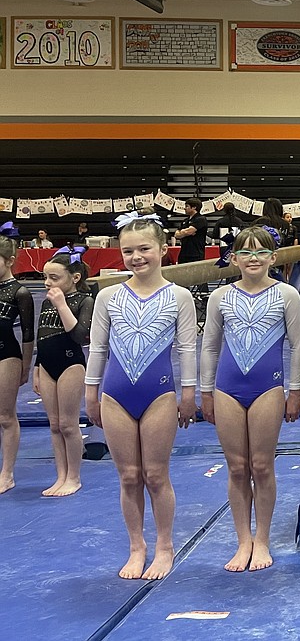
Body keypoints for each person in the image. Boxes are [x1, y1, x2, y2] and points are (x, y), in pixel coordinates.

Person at [85, 213, 198, 580]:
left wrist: (189, 394)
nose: (137, 257)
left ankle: (165, 545)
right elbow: (99, 349)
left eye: (145, 249)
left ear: (163, 250)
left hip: (160, 394)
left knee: (155, 474)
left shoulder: (179, 296)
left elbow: (186, 350)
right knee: (129, 476)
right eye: (128, 250)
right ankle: (137, 546)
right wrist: (91, 393)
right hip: (115, 394)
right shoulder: (108, 296)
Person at [200, 226, 300, 573]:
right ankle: (243, 539)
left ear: (273, 258)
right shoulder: (221, 297)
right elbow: (211, 346)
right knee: (236, 467)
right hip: (227, 389)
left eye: (262, 251)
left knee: (261, 465)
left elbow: (299, 346)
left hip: (268, 389)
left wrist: (297, 391)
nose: (254, 258)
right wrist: (205, 391)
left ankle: (262, 539)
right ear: (233, 259)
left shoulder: (286, 295)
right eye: (245, 252)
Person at [35, 246, 94, 497]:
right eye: (45, 277)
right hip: (47, 365)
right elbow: (41, 336)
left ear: (75, 278)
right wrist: (37, 369)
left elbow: (81, 337)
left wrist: (60, 304)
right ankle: (60, 475)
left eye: (54, 278)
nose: (48, 282)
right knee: (55, 425)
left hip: (71, 364)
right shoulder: (48, 299)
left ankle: (74, 477)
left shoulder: (85, 300)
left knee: (69, 425)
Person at [0, 231, 34, 493]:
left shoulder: (19, 292)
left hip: (6, 356)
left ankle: (7, 473)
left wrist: (25, 366)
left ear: (10, 260)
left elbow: (28, 334)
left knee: (5, 416)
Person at [174, 198, 208, 264]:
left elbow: (188, 232)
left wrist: (184, 232)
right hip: (183, 253)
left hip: (196, 254)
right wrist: (185, 232)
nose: (184, 208)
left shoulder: (201, 219)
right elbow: (176, 235)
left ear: (194, 207)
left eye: (187, 206)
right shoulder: (185, 221)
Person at [280, 212, 299, 283]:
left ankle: (289, 280)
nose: (289, 219)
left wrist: (295, 248)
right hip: (284, 247)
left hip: (291, 246)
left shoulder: (294, 228)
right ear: (283, 218)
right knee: (284, 265)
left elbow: (295, 238)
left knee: (290, 265)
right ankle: (284, 280)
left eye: (290, 217)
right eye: (287, 217)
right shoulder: (282, 227)